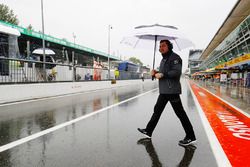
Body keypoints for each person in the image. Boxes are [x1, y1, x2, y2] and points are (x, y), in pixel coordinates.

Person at [138, 39, 196, 146]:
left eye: (163, 46)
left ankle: (191, 136)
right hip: (164, 91)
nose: (161, 48)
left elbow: (176, 72)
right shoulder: (163, 59)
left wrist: (163, 75)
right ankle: (148, 131)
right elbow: (162, 73)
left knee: (180, 114)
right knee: (157, 111)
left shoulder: (175, 58)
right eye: (160, 46)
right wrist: (154, 73)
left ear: (169, 46)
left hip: (172, 91)